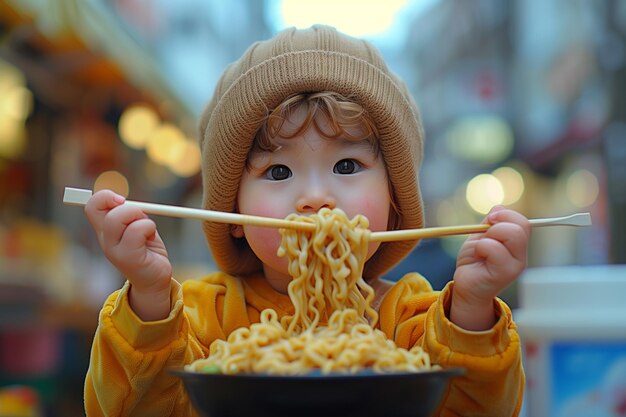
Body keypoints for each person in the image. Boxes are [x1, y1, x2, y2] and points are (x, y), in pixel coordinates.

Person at [83, 25, 530, 416]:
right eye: (278, 172)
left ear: (396, 204)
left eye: (348, 166)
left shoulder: (415, 321)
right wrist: (148, 299)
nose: (316, 199)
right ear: (231, 213)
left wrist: (472, 310)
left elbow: (476, 409)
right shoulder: (202, 318)